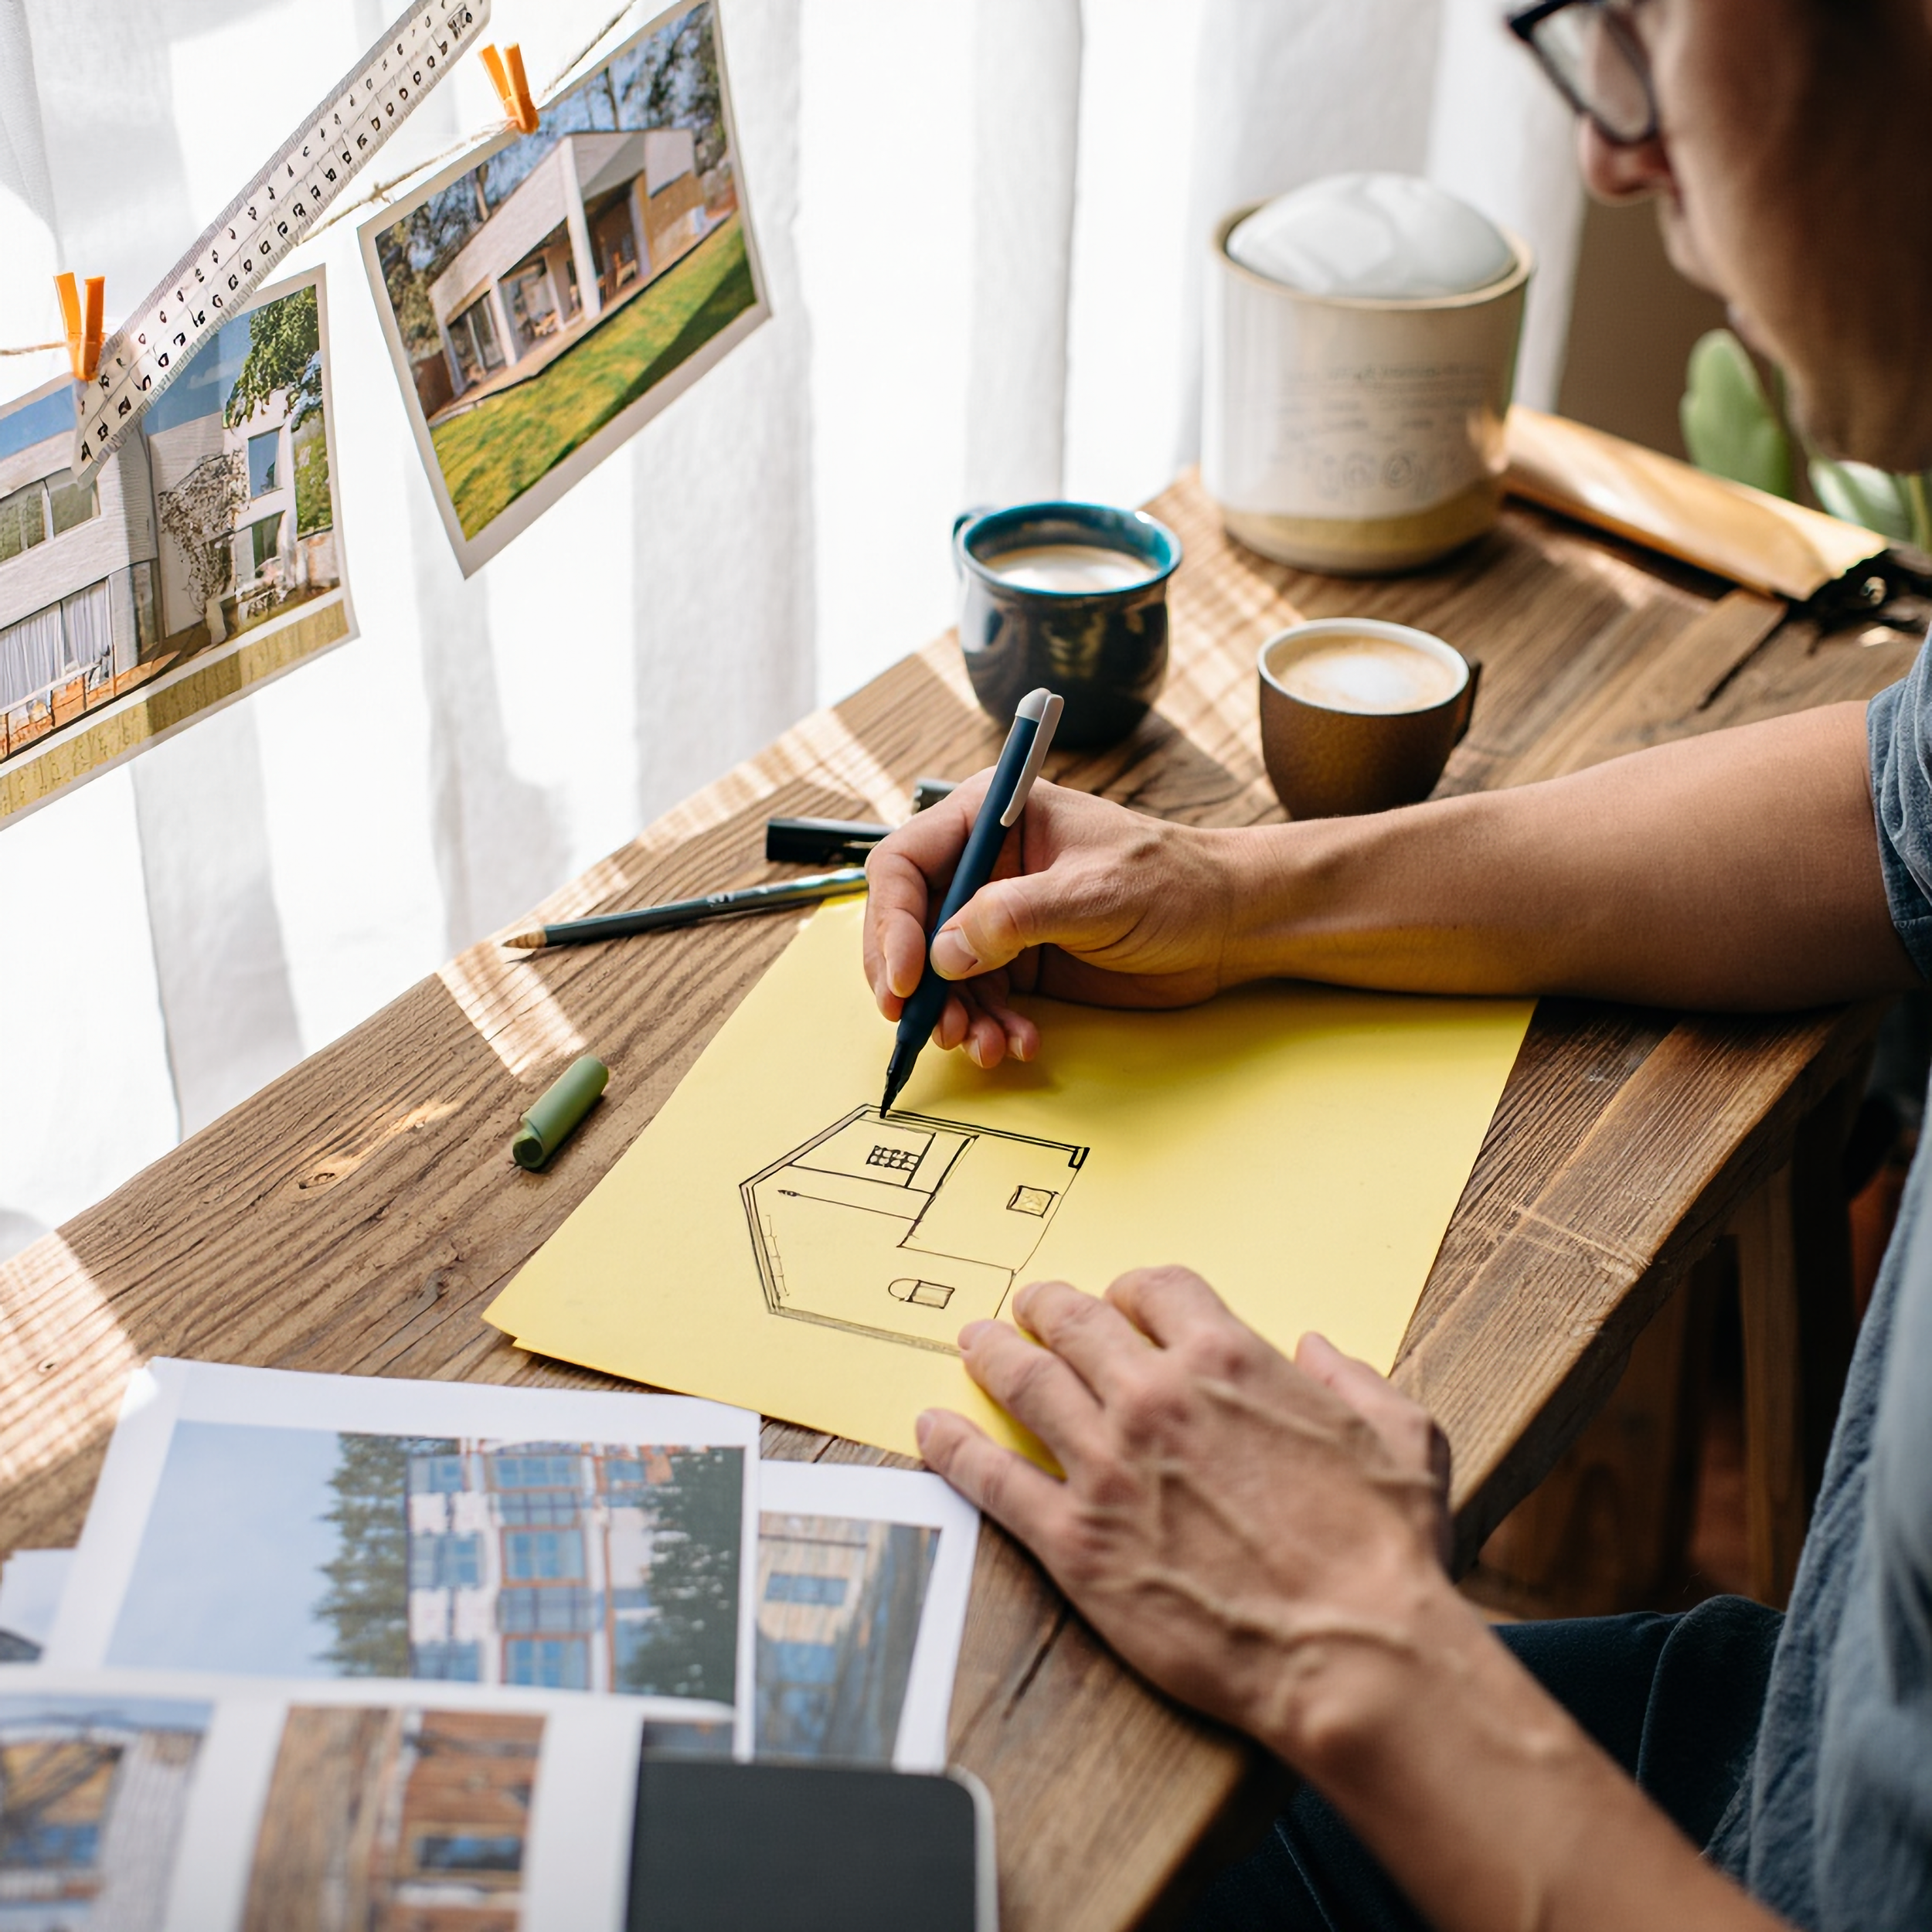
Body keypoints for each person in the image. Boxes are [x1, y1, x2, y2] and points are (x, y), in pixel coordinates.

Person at [859, 2, 1932, 1927]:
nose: (1607, 148)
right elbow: (1885, 810)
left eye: (1639, 23)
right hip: (1790, 1745)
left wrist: (1363, 1648)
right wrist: (1235, 890)